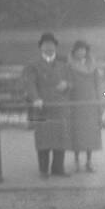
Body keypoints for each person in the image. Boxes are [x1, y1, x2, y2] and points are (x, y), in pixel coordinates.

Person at [23, 32, 71, 178]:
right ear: (40, 47)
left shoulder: (64, 64)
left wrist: (67, 84)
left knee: (60, 138)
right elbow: (29, 84)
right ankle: (43, 170)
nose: (49, 48)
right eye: (45, 45)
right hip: (41, 107)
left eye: (51, 45)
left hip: (59, 107)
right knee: (42, 139)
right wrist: (36, 98)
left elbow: (72, 81)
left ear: (55, 46)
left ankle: (58, 168)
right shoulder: (33, 65)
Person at [67, 40, 102, 172]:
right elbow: (67, 83)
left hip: (91, 103)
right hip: (76, 102)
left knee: (90, 134)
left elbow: (98, 84)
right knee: (77, 133)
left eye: (84, 49)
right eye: (79, 50)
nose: (81, 52)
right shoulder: (69, 66)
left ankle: (89, 161)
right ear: (74, 52)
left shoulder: (93, 66)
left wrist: (100, 101)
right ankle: (76, 160)